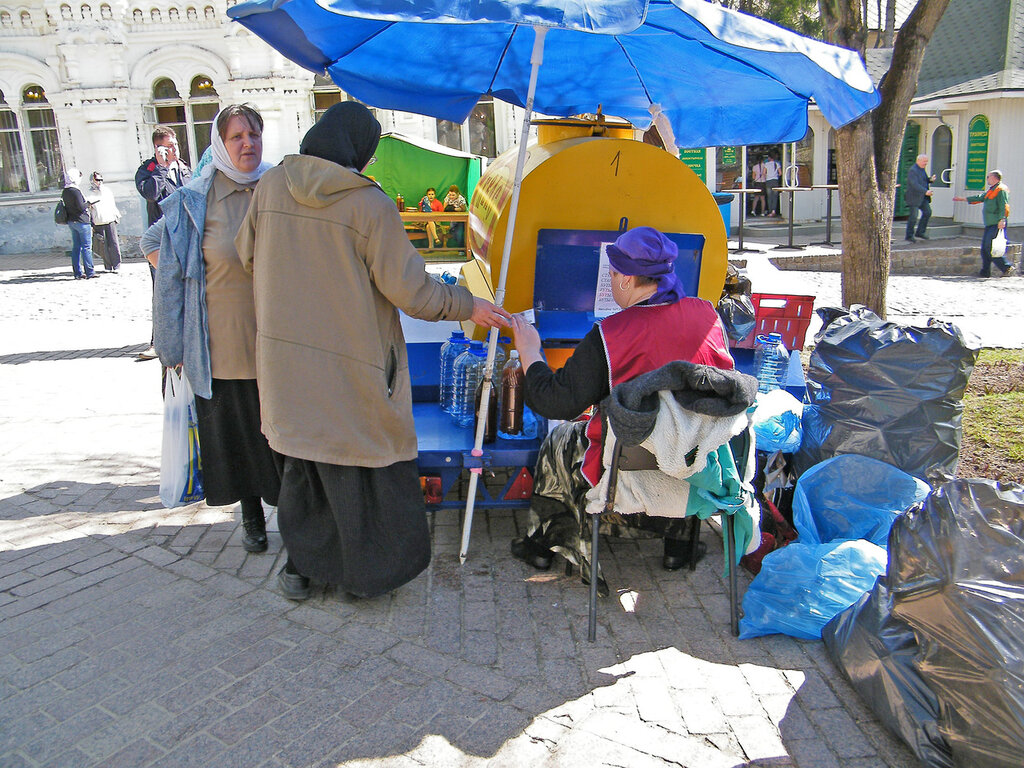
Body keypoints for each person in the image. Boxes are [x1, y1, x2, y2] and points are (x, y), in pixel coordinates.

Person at [235, 101, 510, 602]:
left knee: (305, 465)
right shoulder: (369, 205)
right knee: (360, 466)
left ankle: (301, 569)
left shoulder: (271, 186)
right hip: (352, 366)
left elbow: (246, 254)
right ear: (359, 151)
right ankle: (363, 577)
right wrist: (470, 305)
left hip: (287, 365)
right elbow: (413, 293)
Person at [507, 226, 742, 594]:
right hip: (696, 461)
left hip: (625, 467)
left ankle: (543, 546)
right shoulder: (706, 315)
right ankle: (678, 546)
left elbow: (556, 401)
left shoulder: (612, 333)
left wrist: (529, 351)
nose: (613, 282)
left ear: (629, 280)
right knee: (683, 427)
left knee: (560, 437)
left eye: (614, 275)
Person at [152, 104, 280, 554]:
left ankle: (299, 516)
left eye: (254, 135)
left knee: (285, 437)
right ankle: (251, 517)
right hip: (222, 346)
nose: (248, 144)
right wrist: (171, 347)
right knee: (240, 438)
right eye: (237, 137)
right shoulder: (195, 200)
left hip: (280, 344)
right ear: (220, 145)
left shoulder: (280, 187)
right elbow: (166, 267)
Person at [136, 125, 192, 360]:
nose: (173, 150)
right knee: (162, 289)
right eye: (168, 146)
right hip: (161, 238)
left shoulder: (184, 169)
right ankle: (157, 341)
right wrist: (160, 168)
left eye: (175, 145)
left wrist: (177, 166)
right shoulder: (147, 170)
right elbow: (151, 194)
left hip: (185, 235)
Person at [954, 170, 1013, 277]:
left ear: (994, 178)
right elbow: (981, 197)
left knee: (990, 247)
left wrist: (1002, 219)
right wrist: (964, 199)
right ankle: (985, 272)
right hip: (990, 223)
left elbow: (1004, 206)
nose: (987, 179)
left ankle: (1007, 267)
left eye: (988, 177)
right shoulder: (992, 190)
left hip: (997, 223)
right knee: (984, 249)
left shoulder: (1001, 189)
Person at [61, 168, 95, 280]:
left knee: (76, 248)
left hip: (72, 221)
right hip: (82, 222)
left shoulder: (65, 191)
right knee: (86, 247)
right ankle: (90, 272)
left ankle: (77, 272)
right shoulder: (76, 191)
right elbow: (81, 207)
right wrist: (88, 203)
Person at [86, 171, 123, 272]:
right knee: (103, 245)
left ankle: (117, 264)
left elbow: (112, 204)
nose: (99, 182)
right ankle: (107, 265)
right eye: (97, 180)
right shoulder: (88, 193)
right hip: (98, 221)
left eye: (101, 180)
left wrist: (116, 215)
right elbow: (89, 209)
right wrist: (91, 223)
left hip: (110, 219)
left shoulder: (107, 191)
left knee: (114, 243)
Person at [904, 154, 934, 242]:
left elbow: (923, 180)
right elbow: (914, 184)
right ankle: (909, 236)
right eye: (924, 161)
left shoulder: (921, 169)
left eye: (927, 161)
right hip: (914, 197)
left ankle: (920, 232)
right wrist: (925, 191)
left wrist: (930, 180)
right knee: (913, 216)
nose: (926, 163)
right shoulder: (913, 170)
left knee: (927, 212)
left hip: (922, 197)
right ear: (918, 160)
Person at [763, 152, 782, 217]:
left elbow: (764, 173)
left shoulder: (766, 164)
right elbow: (780, 173)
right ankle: (774, 210)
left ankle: (770, 211)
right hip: (775, 181)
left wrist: (767, 177)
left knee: (769, 197)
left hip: (768, 181)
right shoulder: (777, 164)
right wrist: (776, 176)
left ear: (769, 158)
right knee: (775, 197)